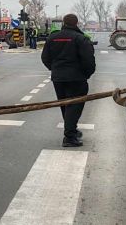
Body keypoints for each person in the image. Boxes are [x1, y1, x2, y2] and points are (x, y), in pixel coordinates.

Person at [41, 14, 96, 147]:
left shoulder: (52, 38)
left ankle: (71, 129)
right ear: (76, 23)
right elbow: (88, 60)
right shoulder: (81, 38)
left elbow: (45, 58)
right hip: (77, 78)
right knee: (75, 105)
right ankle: (69, 137)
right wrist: (86, 74)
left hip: (58, 78)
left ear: (64, 23)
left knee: (65, 105)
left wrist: (54, 69)